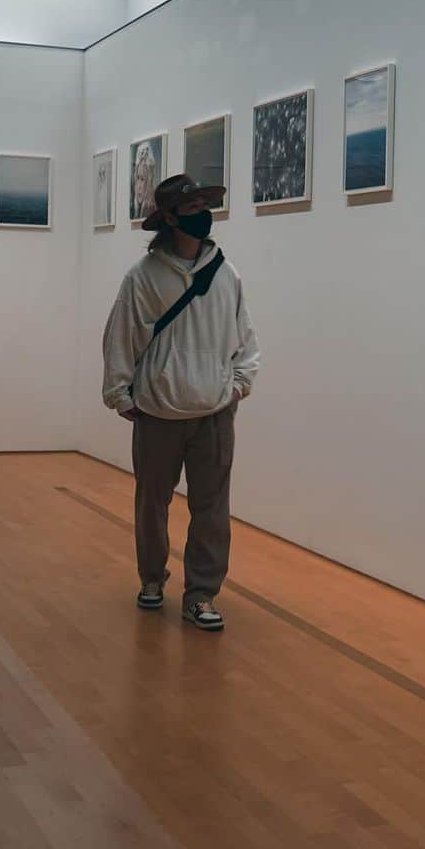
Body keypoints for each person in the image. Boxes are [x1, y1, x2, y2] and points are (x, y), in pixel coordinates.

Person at [102, 174, 260, 631]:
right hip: (157, 412)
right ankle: (152, 579)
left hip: (213, 413)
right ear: (169, 219)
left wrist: (236, 387)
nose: (202, 216)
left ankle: (201, 594)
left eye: (203, 206)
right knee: (152, 502)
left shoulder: (226, 275)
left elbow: (245, 339)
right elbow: (120, 338)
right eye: (191, 209)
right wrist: (120, 392)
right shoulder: (142, 277)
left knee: (211, 508)